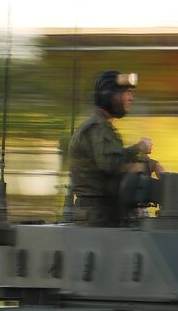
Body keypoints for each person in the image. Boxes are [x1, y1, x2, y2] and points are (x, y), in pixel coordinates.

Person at [67, 71, 164, 226]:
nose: (131, 98)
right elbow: (111, 164)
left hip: (105, 214)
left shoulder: (103, 127)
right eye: (127, 92)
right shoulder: (97, 128)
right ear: (110, 95)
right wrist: (140, 149)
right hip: (99, 219)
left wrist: (150, 163)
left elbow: (116, 158)